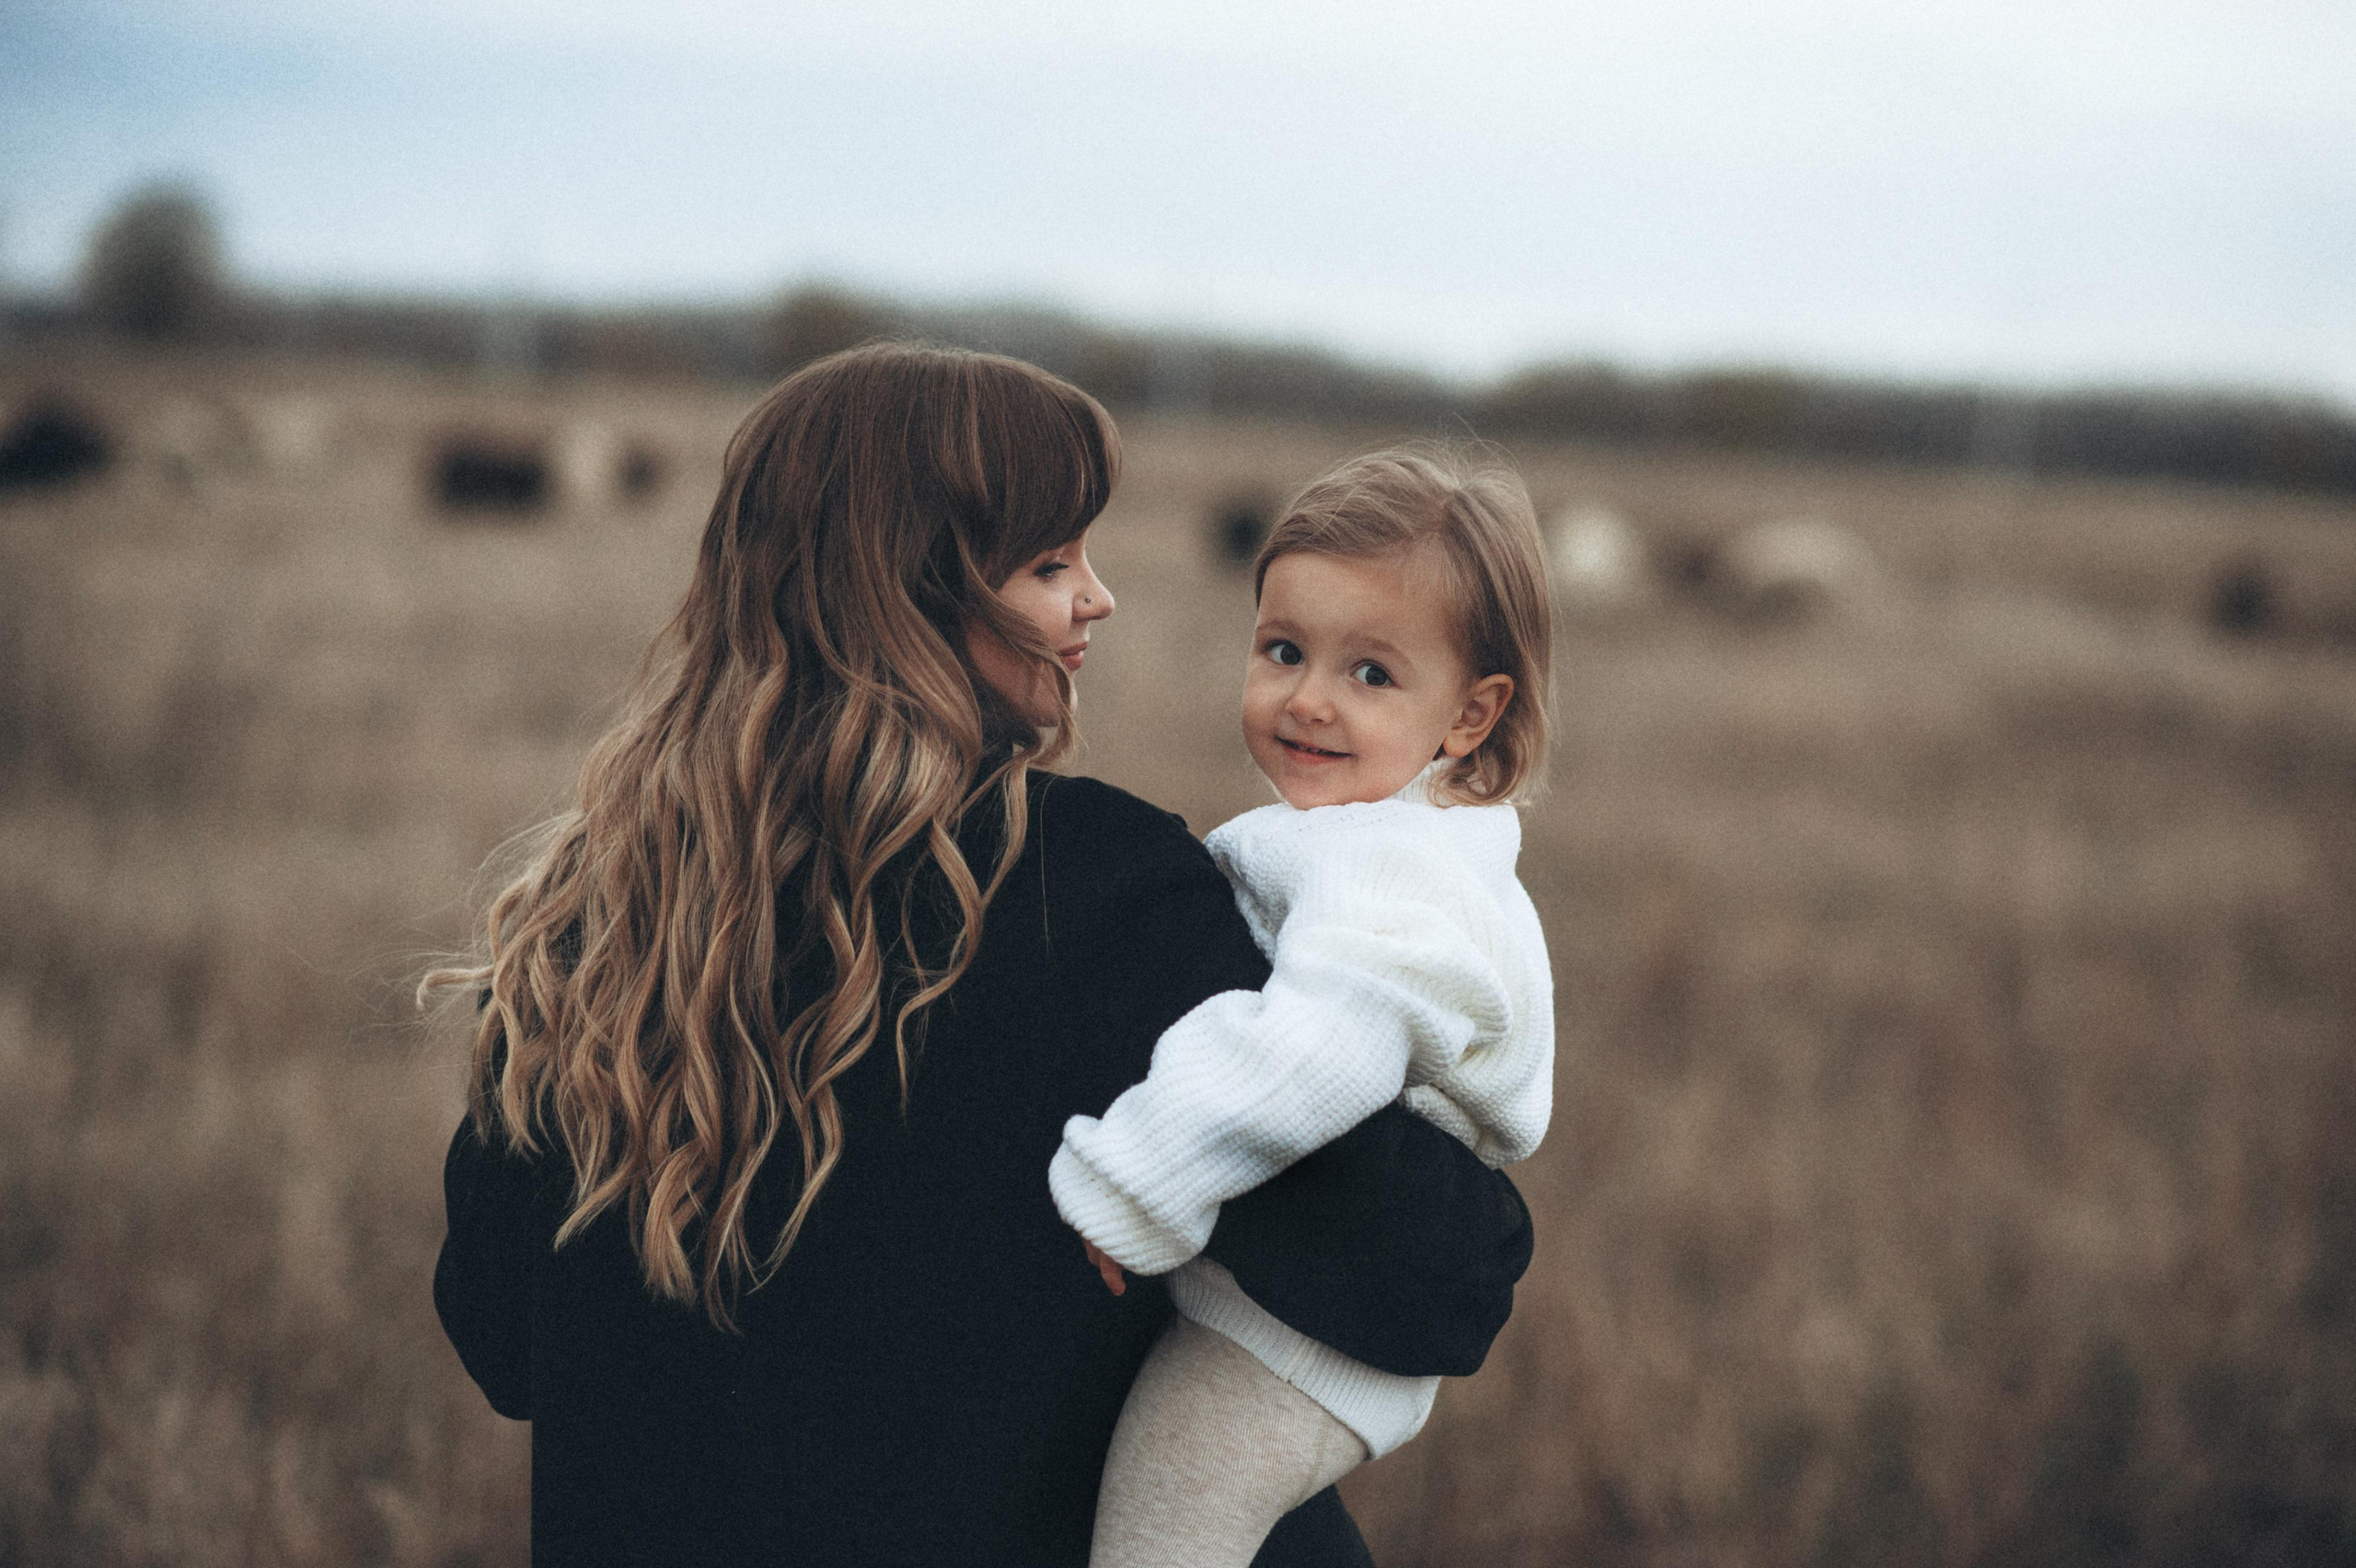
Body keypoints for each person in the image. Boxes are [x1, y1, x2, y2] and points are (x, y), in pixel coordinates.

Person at [428, 344, 1534, 1568]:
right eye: (1052, 561)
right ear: (907, 594)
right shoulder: (1090, 897)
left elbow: (503, 1343)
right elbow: (1443, 1274)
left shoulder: (590, 925)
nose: (1097, 598)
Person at [1050, 449, 1556, 1568]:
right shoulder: (1375, 836)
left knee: (1155, 1542)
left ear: (1470, 716)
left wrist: (1136, 1179)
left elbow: (1316, 1052)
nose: (1309, 699)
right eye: (1283, 650)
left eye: (1371, 674)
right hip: (1293, 1311)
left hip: (1291, 1345)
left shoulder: (1399, 873)